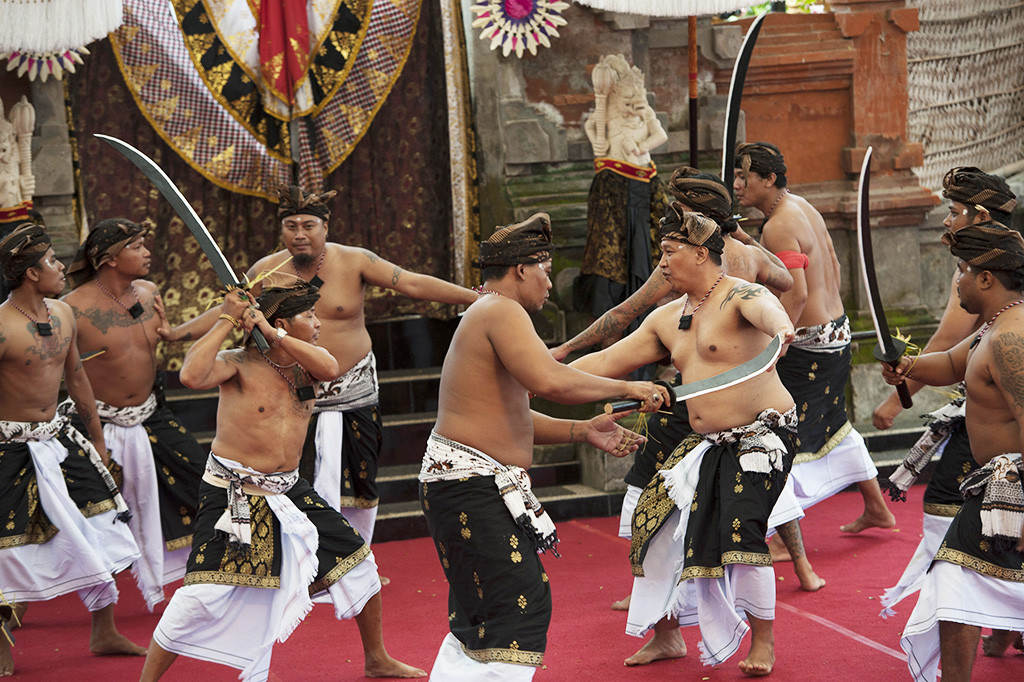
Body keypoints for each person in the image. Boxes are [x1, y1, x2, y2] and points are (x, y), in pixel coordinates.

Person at [419, 213, 668, 680]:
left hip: (465, 484)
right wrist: (632, 388)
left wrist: (582, 431)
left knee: (486, 616)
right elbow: (549, 380)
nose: (550, 283)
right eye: (546, 270)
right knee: (517, 610)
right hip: (469, 486)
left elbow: (510, 415)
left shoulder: (489, 313)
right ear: (521, 269)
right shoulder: (499, 310)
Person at [555, 167, 823, 602]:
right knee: (701, 495)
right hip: (696, 393)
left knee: (732, 497)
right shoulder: (741, 255)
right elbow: (788, 277)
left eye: (675, 210)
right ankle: (797, 569)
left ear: (695, 230)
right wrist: (550, 370)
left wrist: (780, 331)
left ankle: (677, 597)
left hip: (747, 404)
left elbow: (621, 314)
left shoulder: (699, 265)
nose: (663, 256)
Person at [139, 282, 425, 681]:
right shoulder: (236, 363)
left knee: (360, 563)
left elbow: (330, 368)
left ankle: (376, 658)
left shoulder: (308, 364)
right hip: (233, 492)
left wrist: (274, 335)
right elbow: (190, 374)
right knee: (202, 595)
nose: (317, 322)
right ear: (281, 320)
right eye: (309, 315)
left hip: (289, 489)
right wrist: (226, 316)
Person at [571, 207, 797, 675]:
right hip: (704, 441)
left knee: (741, 531)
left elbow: (768, 307)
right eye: (661, 254)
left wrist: (780, 331)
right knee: (649, 522)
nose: (662, 264)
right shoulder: (666, 318)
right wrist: (540, 378)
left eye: (670, 253)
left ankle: (764, 643)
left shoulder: (740, 296)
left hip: (762, 435)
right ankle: (667, 634)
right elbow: (607, 361)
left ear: (700, 253)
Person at [241, 186, 478, 553]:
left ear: (326, 226)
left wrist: (475, 297)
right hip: (294, 389)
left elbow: (412, 283)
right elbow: (230, 312)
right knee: (294, 474)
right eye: (290, 226)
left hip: (355, 389)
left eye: (308, 225)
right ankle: (305, 562)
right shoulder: (264, 271)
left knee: (362, 478)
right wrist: (177, 333)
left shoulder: (355, 261)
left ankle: (356, 559)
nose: (299, 234)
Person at [879, 224, 1024, 681]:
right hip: (993, 485)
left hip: (1014, 488)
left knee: (955, 576)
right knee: (954, 579)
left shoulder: (1011, 338)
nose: (956, 281)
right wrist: (905, 366)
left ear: (986, 278)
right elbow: (950, 364)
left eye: (962, 271)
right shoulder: (996, 325)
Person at [0, 223, 145, 677]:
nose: (62, 267)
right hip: (9, 447)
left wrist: (97, 439)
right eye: (51, 261)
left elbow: (77, 377)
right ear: (28, 273)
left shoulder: (62, 313)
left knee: (104, 525)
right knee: (7, 551)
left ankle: (103, 630)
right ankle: (2, 647)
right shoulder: (1, 326)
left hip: (62, 439)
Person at [734, 141, 894, 534]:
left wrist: (774, 346)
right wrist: (747, 239)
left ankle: (779, 535)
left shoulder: (778, 224)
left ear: (769, 179)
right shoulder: (799, 207)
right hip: (836, 333)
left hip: (808, 345)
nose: (736, 184)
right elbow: (832, 265)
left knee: (778, 435)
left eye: (744, 176)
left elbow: (796, 292)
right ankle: (877, 508)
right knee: (837, 421)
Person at [61, 218, 208, 611]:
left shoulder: (148, 291)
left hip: (152, 415)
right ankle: (13, 608)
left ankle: (223, 579)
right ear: (110, 258)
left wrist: (225, 315)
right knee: (73, 516)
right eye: (138, 247)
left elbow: (165, 338)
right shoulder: (70, 309)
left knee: (208, 484)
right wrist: (93, 438)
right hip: (96, 423)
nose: (147, 253)